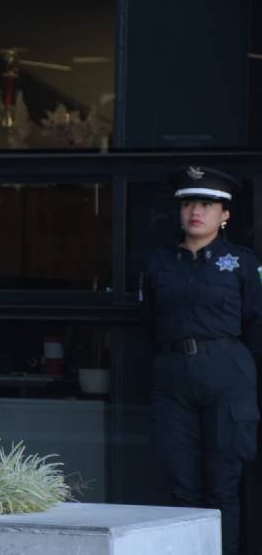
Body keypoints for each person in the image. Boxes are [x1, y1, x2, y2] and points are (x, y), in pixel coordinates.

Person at [141, 166, 262, 555]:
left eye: (207, 204)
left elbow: (256, 322)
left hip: (227, 373)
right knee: (180, 485)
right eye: (189, 202)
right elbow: (147, 321)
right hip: (172, 376)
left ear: (225, 214)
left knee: (223, 485)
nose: (196, 211)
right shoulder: (158, 262)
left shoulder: (244, 264)